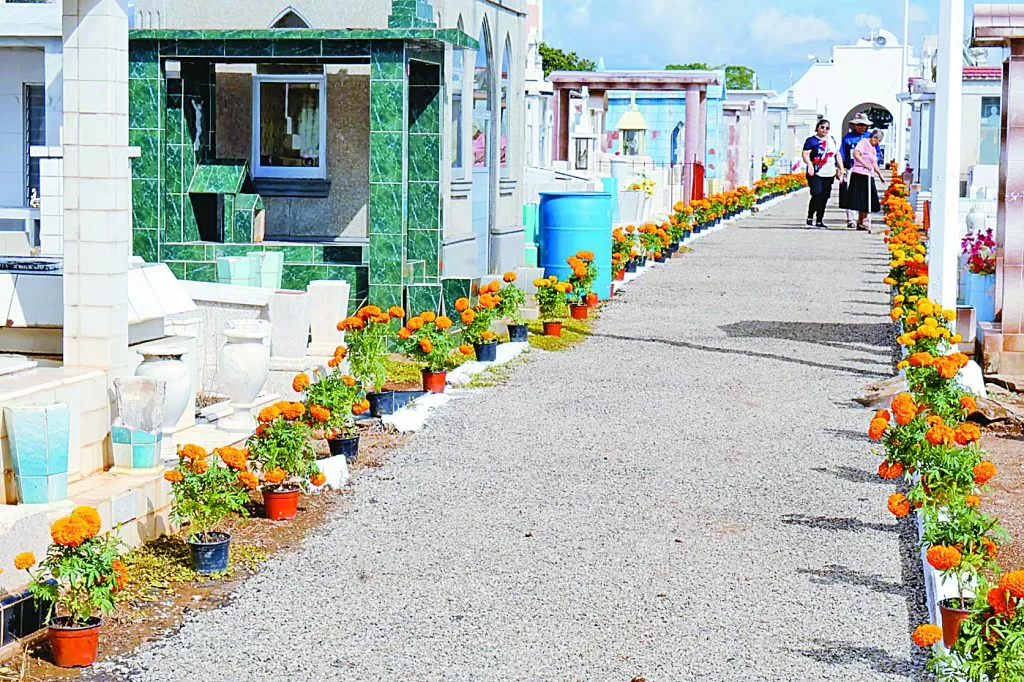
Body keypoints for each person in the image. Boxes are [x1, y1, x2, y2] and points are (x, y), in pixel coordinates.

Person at [801, 119, 843, 229]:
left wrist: (841, 168)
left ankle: (819, 219)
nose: (824, 130)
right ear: (817, 127)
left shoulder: (831, 140)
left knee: (824, 196)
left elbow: (837, 155)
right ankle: (810, 215)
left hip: (829, 172)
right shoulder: (811, 140)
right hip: (816, 171)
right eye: (822, 127)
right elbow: (805, 154)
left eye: (827, 128)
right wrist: (809, 164)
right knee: (816, 193)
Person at [848, 129, 886, 230]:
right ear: (874, 138)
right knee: (862, 199)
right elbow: (856, 154)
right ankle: (861, 221)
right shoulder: (863, 142)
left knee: (868, 198)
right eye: (878, 141)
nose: (878, 143)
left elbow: (874, 163)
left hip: (869, 175)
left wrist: (880, 174)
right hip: (860, 173)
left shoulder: (873, 148)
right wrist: (864, 164)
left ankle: (862, 220)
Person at [839, 112, 872, 228]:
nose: (861, 127)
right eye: (858, 124)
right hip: (851, 168)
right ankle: (851, 218)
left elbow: (876, 152)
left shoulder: (870, 137)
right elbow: (842, 153)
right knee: (852, 193)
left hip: (866, 169)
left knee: (865, 194)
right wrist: (840, 168)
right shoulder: (848, 138)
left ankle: (864, 219)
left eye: (863, 125)